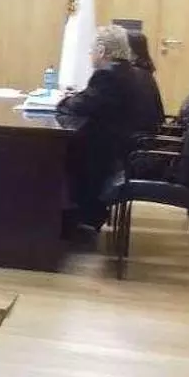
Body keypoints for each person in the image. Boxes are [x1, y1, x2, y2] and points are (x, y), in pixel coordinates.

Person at [58, 25, 141, 236]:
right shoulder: (125, 71)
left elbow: (83, 105)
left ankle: (72, 216)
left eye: (91, 50)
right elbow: (90, 99)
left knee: (55, 153)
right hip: (120, 144)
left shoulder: (108, 74)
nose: (90, 55)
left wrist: (63, 102)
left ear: (102, 50)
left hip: (106, 149)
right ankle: (71, 214)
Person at [127, 31, 165, 133]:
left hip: (138, 134)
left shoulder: (134, 74)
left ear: (130, 50)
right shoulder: (144, 71)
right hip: (148, 131)